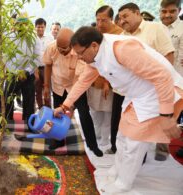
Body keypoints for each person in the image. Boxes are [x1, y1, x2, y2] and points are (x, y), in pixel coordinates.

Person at [54, 26, 183, 193]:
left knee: (133, 143)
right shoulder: (94, 56)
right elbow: (83, 81)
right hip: (135, 95)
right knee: (122, 136)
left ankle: (124, 183)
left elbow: (162, 76)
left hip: (154, 93)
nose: (79, 58)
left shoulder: (122, 49)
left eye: (80, 53)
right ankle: (118, 170)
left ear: (94, 45)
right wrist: (65, 105)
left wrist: (166, 115)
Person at [118, 2, 175, 161]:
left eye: (125, 16)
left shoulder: (155, 28)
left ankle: (162, 150)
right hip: (135, 89)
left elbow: (168, 55)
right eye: (120, 18)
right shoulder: (122, 37)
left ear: (137, 13)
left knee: (161, 117)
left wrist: (163, 82)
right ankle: (139, 158)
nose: (122, 21)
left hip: (157, 85)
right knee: (139, 123)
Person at [43, 28, 102, 155]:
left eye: (64, 48)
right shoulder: (52, 48)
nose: (61, 51)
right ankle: (57, 140)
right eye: (59, 47)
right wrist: (46, 86)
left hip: (76, 86)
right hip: (58, 86)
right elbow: (48, 65)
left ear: (72, 45)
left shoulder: (80, 52)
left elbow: (82, 79)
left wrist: (71, 102)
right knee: (57, 115)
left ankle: (93, 145)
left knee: (84, 114)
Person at [92, 5, 123, 151]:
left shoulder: (120, 34)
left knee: (108, 112)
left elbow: (116, 61)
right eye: (97, 20)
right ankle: (96, 136)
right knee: (95, 110)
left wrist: (107, 82)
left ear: (111, 19)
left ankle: (105, 140)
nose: (100, 24)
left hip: (111, 82)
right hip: (94, 79)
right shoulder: (94, 33)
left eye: (103, 20)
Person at [160, 0, 183, 158]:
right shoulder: (156, 28)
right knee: (159, 115)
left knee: (175, 116)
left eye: (172, 11)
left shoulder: (182, 29)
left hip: (178, 80)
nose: (167, 15)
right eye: (164, 11)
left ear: (179, 10)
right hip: (157, 81)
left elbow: (181, 59)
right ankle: (158, 148)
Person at [5, 16, 36, 126]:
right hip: (13, 74)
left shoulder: (33, 38)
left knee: (29, 100)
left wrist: (26, 71)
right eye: (19, 25)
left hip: (28, 74)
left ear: (27, 26)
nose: (22, 27)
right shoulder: (9, 38)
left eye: (24, 25)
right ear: (15, 26)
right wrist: (17, 72)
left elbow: (36, 57)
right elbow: (5, 56)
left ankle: (29, 123)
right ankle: (8, 123)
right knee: (8, 98)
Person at [34, 18, 53, 109]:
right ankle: (40, 108)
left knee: (47, 89)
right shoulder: (32, 38)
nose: (40, 29)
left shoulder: (50, 38)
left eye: (42, 27)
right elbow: (31, 54)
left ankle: (48, 108)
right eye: (38, 27)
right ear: (35, 27)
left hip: (47, 68)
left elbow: (52, 52)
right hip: (36, 68)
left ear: (45, 27)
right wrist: (34, 69)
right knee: (37, 91)